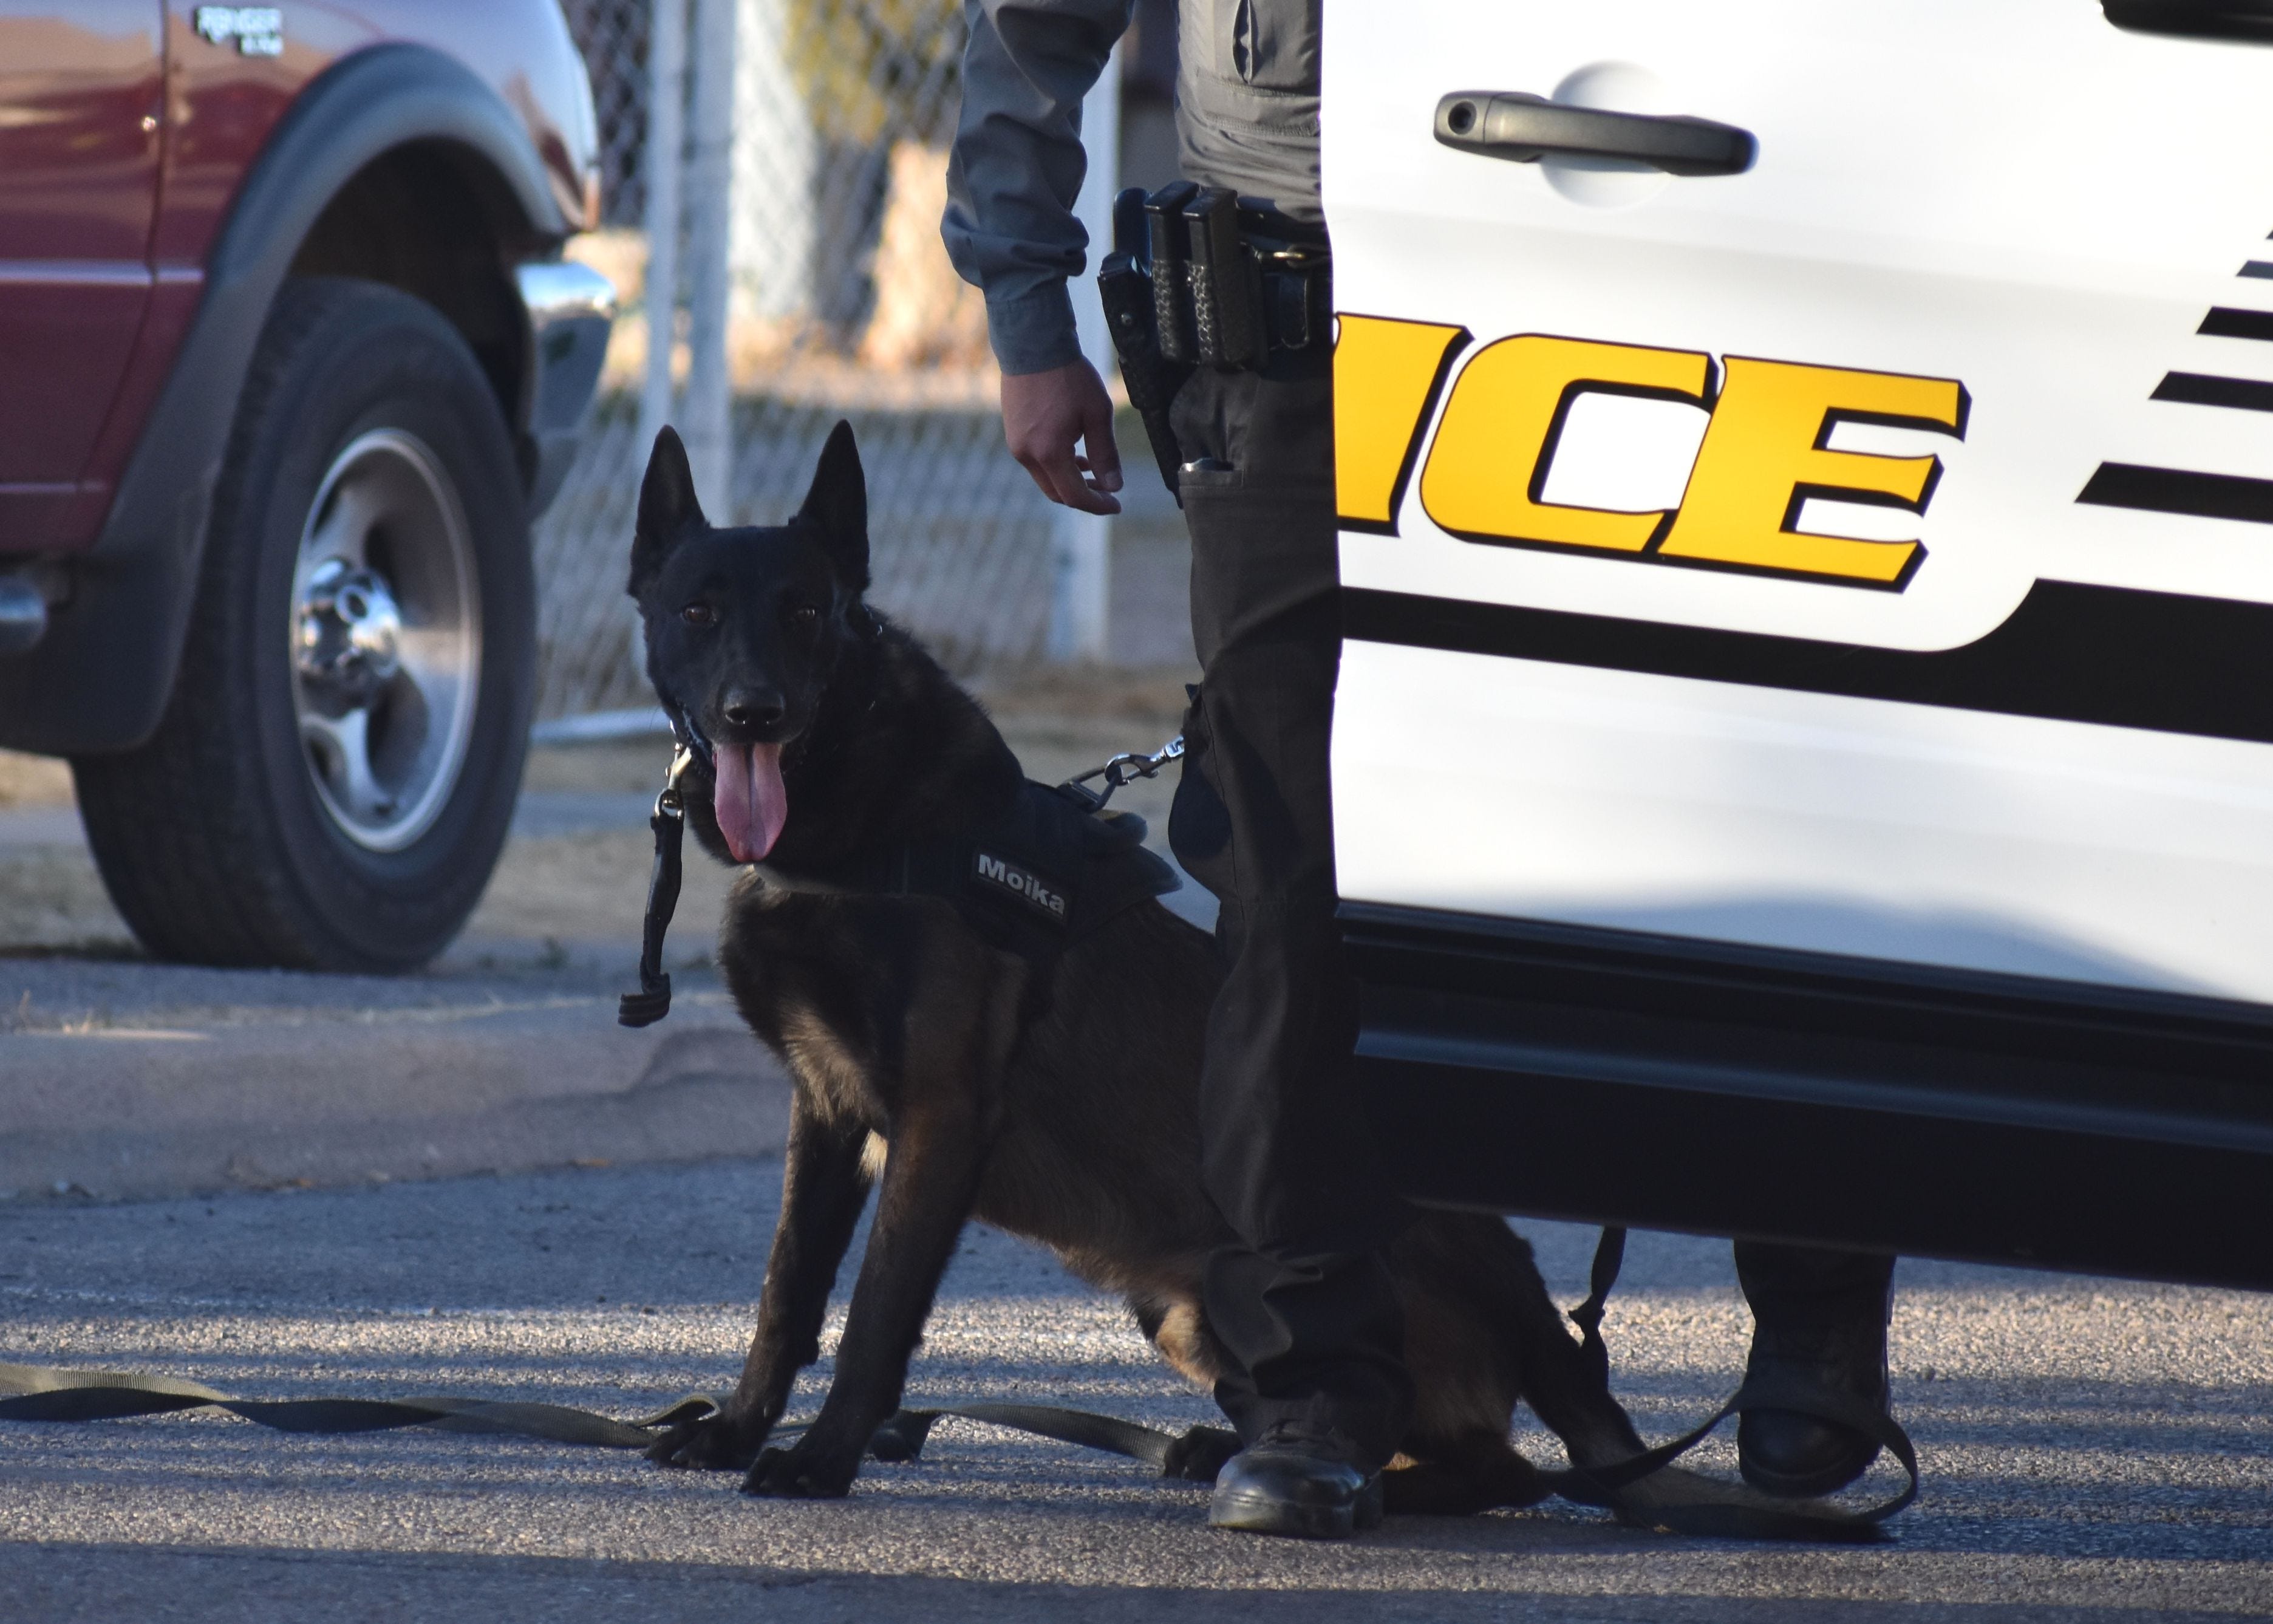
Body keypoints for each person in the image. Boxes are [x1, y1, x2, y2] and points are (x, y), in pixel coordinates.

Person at [941, 0, 1896, 1537]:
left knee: (1723, 816)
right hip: (1296, 332)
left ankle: (1815, 1318)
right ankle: (1314, 1386)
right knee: (1282, 864)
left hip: (1653, 301)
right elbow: (1031, 31)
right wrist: (1029, 324)